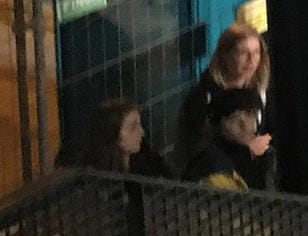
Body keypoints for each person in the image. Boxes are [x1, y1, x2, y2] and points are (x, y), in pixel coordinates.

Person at [176, 22, 273, 166]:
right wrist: (247, 151)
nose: (251, 60)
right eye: (242, 53)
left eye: (256, 52)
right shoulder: (202, 97)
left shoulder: (261, 89)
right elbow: (195, 149)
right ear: (225, 55)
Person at [179, 87, 276, 191]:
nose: (244, 125)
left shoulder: (257, 156)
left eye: (249, 114)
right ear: (217, 125)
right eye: (234, 118)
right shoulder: (213, 167)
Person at [65, 98, 170, 177]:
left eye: (140, 125)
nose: (142, 132)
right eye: (132, 127)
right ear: (113, 134)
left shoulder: (149, 160)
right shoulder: (92, 175)